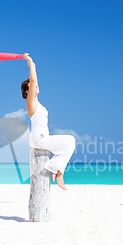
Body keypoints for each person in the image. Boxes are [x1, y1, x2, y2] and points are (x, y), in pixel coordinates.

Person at [22, 53, 75, 190]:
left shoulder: (38, 103)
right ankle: (58, 171)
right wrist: (32, 64)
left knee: (69, 144)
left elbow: (35, 83)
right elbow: (33, 81)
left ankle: (56, 169)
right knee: (70, 140)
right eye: (32, 87)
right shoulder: (30, 102)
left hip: (42, 138)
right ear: (27, 92)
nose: (35, 86)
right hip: (38, 139)